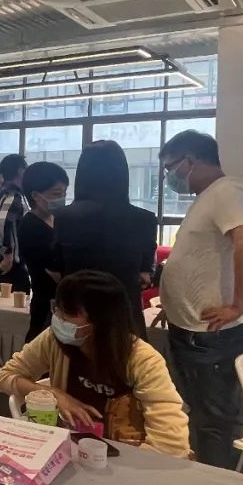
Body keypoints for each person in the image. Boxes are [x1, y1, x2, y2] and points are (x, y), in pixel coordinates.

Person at [0, 270, 190, 458]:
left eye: (69, 313)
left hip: (128, 456)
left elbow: (171, 444)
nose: (58, 318)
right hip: (73, 451)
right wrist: (55, 394)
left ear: (102, 321)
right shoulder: (54, 339)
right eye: (57, 308)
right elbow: (8, 376)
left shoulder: (143, 359)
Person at [159, 130, 243, 469]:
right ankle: (203, 477)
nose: (169, 177)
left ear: (190, 161)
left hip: (211, 337)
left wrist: (237, 306)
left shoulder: (228, 190)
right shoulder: (209, 196)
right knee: (202, 416)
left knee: (215, 422)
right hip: (192, 332)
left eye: (170, 168)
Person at [52, 141, 156, 339]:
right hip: (124, 317)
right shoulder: (144, 219)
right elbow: (145, 275)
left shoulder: (65, 216)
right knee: (130, 358)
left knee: (74, 359)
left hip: (77, 317)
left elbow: (56, 266)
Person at [19, 162, 69, 342]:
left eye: (64, 193)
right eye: (56, 194)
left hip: (61, 302)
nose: (62, 199)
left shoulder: (58, 219)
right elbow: (55, 272)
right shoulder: (30, 226)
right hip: (46, 303)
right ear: (35, 196)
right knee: (41, 348)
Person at [0, 154, 29, 293]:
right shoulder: (12, 195)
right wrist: (7, 253)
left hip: (7, 258)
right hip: (12, 261)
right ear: (20, 170)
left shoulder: (3, 192)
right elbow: (1, 225)